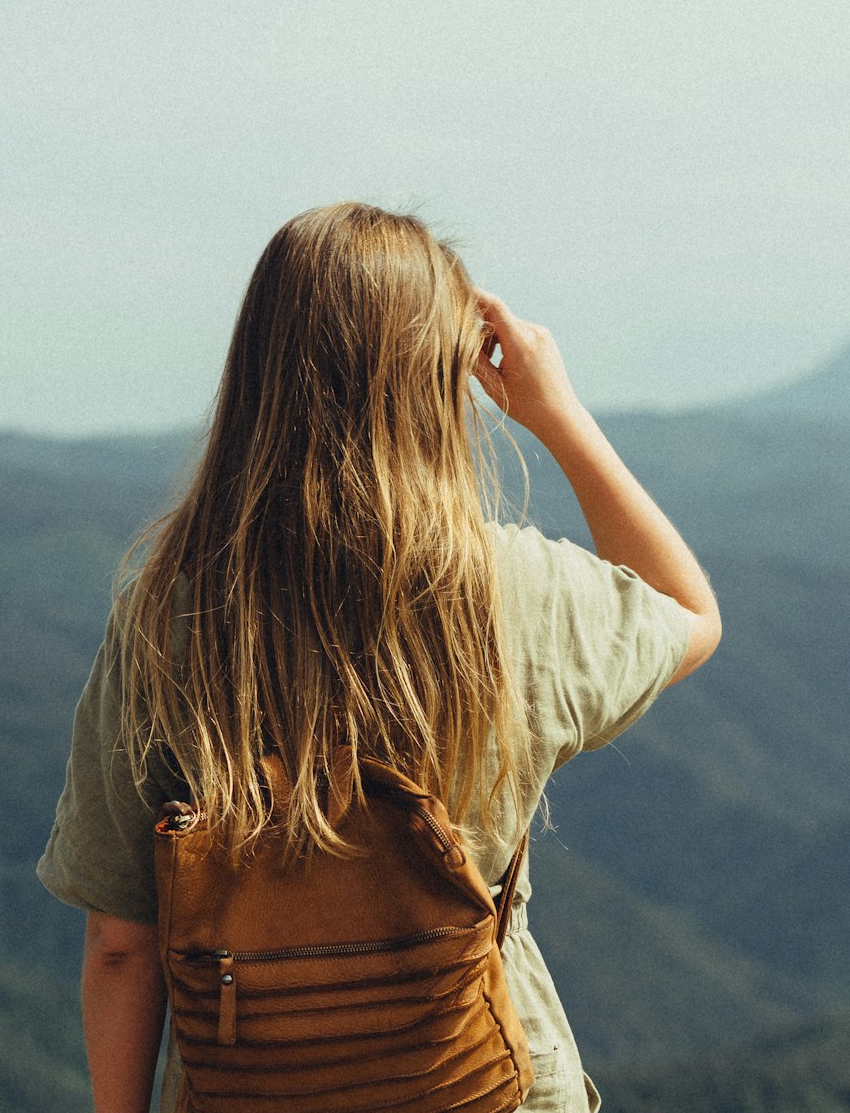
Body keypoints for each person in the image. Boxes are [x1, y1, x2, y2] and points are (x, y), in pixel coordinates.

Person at [38, 202, 721, 1112]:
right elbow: (688, 611)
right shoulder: (517, 590)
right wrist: (555, 413)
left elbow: (121, 943)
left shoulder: (171, 609)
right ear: (438, 379)